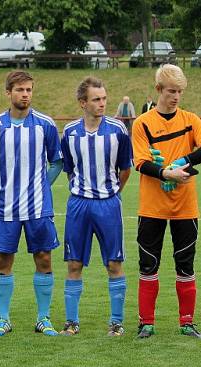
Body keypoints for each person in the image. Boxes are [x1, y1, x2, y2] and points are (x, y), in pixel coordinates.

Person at [131, 64, 201, 339]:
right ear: (158, 90)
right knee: (148, 264)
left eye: (180, 91)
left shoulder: (191, 120)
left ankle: (187, 323)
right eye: (171, 91)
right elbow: (141, 162)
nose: (176, 96)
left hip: (185, 206)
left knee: (186, 264)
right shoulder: (142, 123)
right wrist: (165, 173)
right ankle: (146, 323)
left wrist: (185, 161)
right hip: (152, 206)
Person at [0, 70, 64, 337]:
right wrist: (5, 186)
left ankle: (43, 318)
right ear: (8, 93)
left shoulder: (45, 125)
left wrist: (39, 185)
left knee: (44, 258)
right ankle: (3, 319)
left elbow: (57, 161)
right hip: (6, 207)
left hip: (39, 206)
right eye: (20, 90)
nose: (25, 94)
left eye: (29, 90)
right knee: (3, 260)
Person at [59, 77, 133, 336]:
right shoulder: (69, 133)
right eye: (96, 99)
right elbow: (69, 170)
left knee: (114, 263)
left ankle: (116, 322)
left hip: (108, 205)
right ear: (83, 103)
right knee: (74, 263)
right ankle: (71, 322)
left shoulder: (118, 131)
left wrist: (112, 193)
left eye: (104, 98)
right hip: (78, 205)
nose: (102, 104)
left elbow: (126, 169)